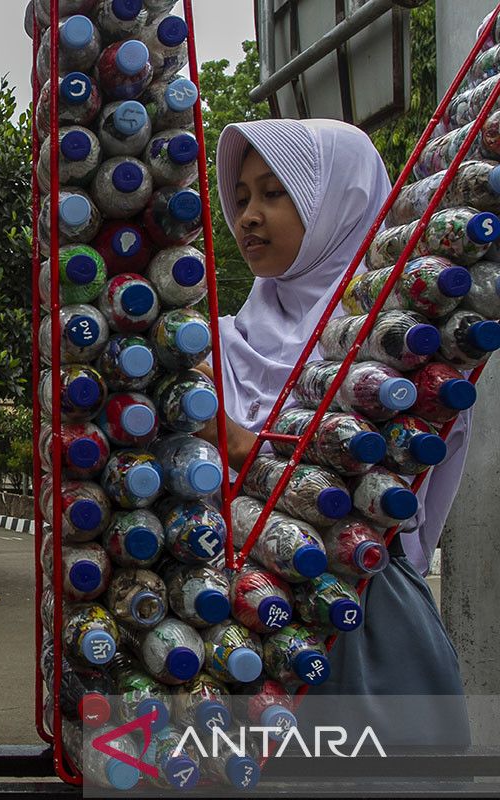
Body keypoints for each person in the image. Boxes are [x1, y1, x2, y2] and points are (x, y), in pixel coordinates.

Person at [200, 118, 471, 749]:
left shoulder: (399, 343)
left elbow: (398, 491)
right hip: (236, 628)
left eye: (276, 193)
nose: (249, 217)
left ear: (338, 204)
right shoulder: (217, 341)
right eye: (240, 198)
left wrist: (247, 449)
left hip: (365, 625)